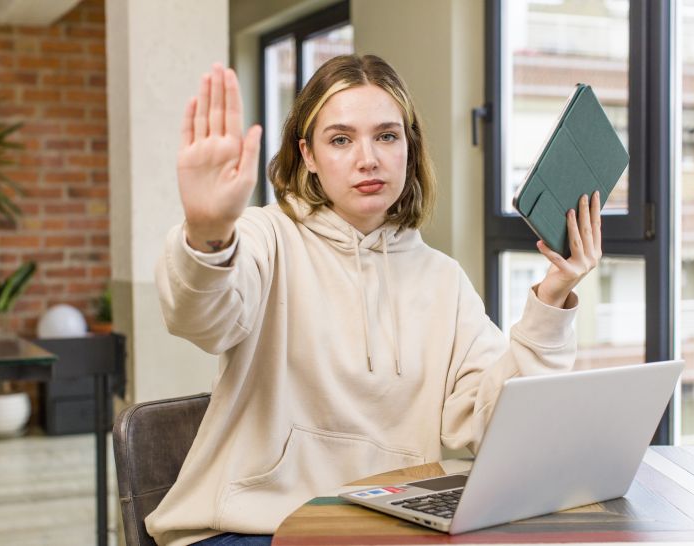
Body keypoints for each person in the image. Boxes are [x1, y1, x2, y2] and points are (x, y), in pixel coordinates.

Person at [148, 54, 602, 546]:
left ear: (409, 146)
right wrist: (209, 233)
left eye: (386, 136)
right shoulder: (264, 237)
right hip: (250, 526)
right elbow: (203, 320)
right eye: (340, 139)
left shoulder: (443, 280)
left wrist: (552, 300)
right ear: (309, 156)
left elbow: (492, 424)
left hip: (385, 526)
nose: (368, 158)